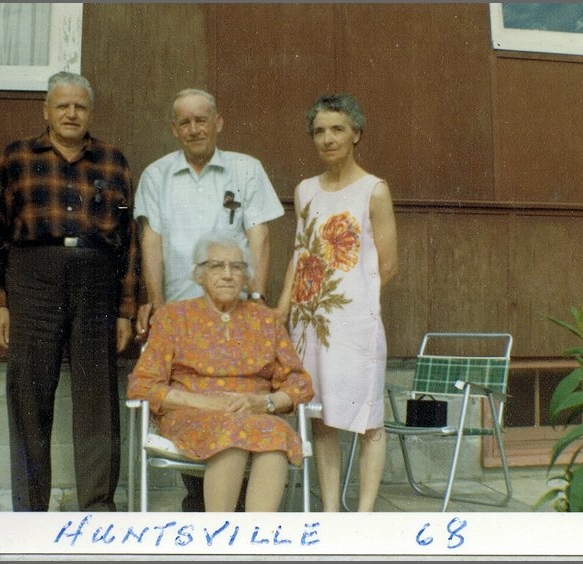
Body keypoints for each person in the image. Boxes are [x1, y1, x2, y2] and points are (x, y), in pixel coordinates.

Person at [0, 71, 138, 512]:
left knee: (97, 395)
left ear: (91, 112)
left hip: (97, 278)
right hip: (33, 276)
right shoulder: (16, 158)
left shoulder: (113, 162)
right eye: (63, 105)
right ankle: (29, 509)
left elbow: (127, 238)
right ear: (46, 111)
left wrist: (125, 309)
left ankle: (97, 507)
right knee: (30, 393)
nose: (72, 113)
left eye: (80, 106)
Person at [133, 88, 285, 511]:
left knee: (237, 392)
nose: (194, 128)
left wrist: (254, 295)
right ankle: (202, 504)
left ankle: (227, 510)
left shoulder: (246, 169)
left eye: (202, 119)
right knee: (192, 389)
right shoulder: (157, 175)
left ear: (219, 122)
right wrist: (157, 301)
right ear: (174, 129)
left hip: (234, 302)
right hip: (181, 305)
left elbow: (259, 234)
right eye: (184, 121)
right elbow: (152, 238)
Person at [275, 93, 400, 512]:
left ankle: (362, 514)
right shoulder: (306, 190)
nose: (328, 139)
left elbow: (389, 265)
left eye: (337, 129)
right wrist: (283, 309)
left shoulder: (373, 190)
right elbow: (301, 252)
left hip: (354, 325)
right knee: (321, 416)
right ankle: (330, 511)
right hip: (310, 324)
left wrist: (354, 306)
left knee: (367, 419)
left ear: (356, 134)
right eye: (319, 131)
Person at [127, 233, 314, 512]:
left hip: (254, 414)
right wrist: (207, 403)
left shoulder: (265, 320)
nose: (228, 274)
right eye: (216, 266)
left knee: (276, 434)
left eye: (236, 267)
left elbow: (299, 384)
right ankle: (219, 539)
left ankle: (257, 542)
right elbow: (142, 385)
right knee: (231, 432)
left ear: (247, 277)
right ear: (199, 275)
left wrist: (264, 403)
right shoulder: (173, 317)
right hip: (192, 414)